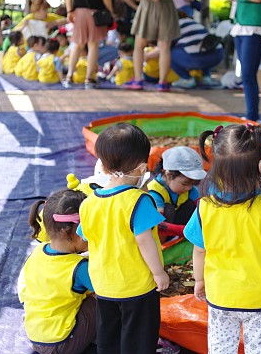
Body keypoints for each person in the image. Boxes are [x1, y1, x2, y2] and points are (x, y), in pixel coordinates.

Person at [184, 123, 261, 353]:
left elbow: (199, 250)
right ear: (259, 167)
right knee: (260, 348)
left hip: (221, 295)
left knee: (221, 347)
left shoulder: (204, 208)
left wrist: (199, 280)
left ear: (215, 169)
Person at [77, 123, 167, 354]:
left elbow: (86, 240)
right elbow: (144, 241)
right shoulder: (139, 201)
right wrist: (159, 273)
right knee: (138, 341)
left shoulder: (88, 203)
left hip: (103, 285)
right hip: (137, 287)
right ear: (142, 168)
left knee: (109, 339)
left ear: (102, 166)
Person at [18, 189, 96, 354]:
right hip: (63, 343)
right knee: (102, 299)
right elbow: (107, 289)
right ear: (74, 232)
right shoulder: (79, 267)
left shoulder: (37, 252)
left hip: (36, 337)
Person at [64, 0, 115, 89]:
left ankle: (69, 76)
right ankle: (89, 79)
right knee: (93, 45)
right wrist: (110, 10)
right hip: (95, 13)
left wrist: (69, 11)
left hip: (79, 13)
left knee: (77, 44)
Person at [147, 146, 206, 242]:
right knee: (168, 209)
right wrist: (187, 230)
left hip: (179, 230)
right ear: (168, 175)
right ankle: (164, 245)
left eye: (193, 183)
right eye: (185, 184)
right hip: (161, 234)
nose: (189, 188)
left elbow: (203, 210)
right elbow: (157, 225)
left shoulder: (191, 190)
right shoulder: (155, 191)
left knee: (192, 207)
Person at [169, 13, 224, 89]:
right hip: (218, 53)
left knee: (168, 54)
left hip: (196, 58)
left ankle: (187, 79)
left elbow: (165, 47)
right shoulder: (193, 22)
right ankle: (206, 77)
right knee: (204, 49)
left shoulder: (174, 25)